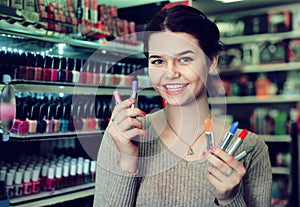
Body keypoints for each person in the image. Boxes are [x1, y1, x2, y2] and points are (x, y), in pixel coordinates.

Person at [93, 5, 272, 207]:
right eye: (158, 60)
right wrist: (127, 163)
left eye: (185, 59)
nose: (170, 73)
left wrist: (229, 199)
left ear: (212, 61)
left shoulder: (251, 149)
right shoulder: (123, 135)